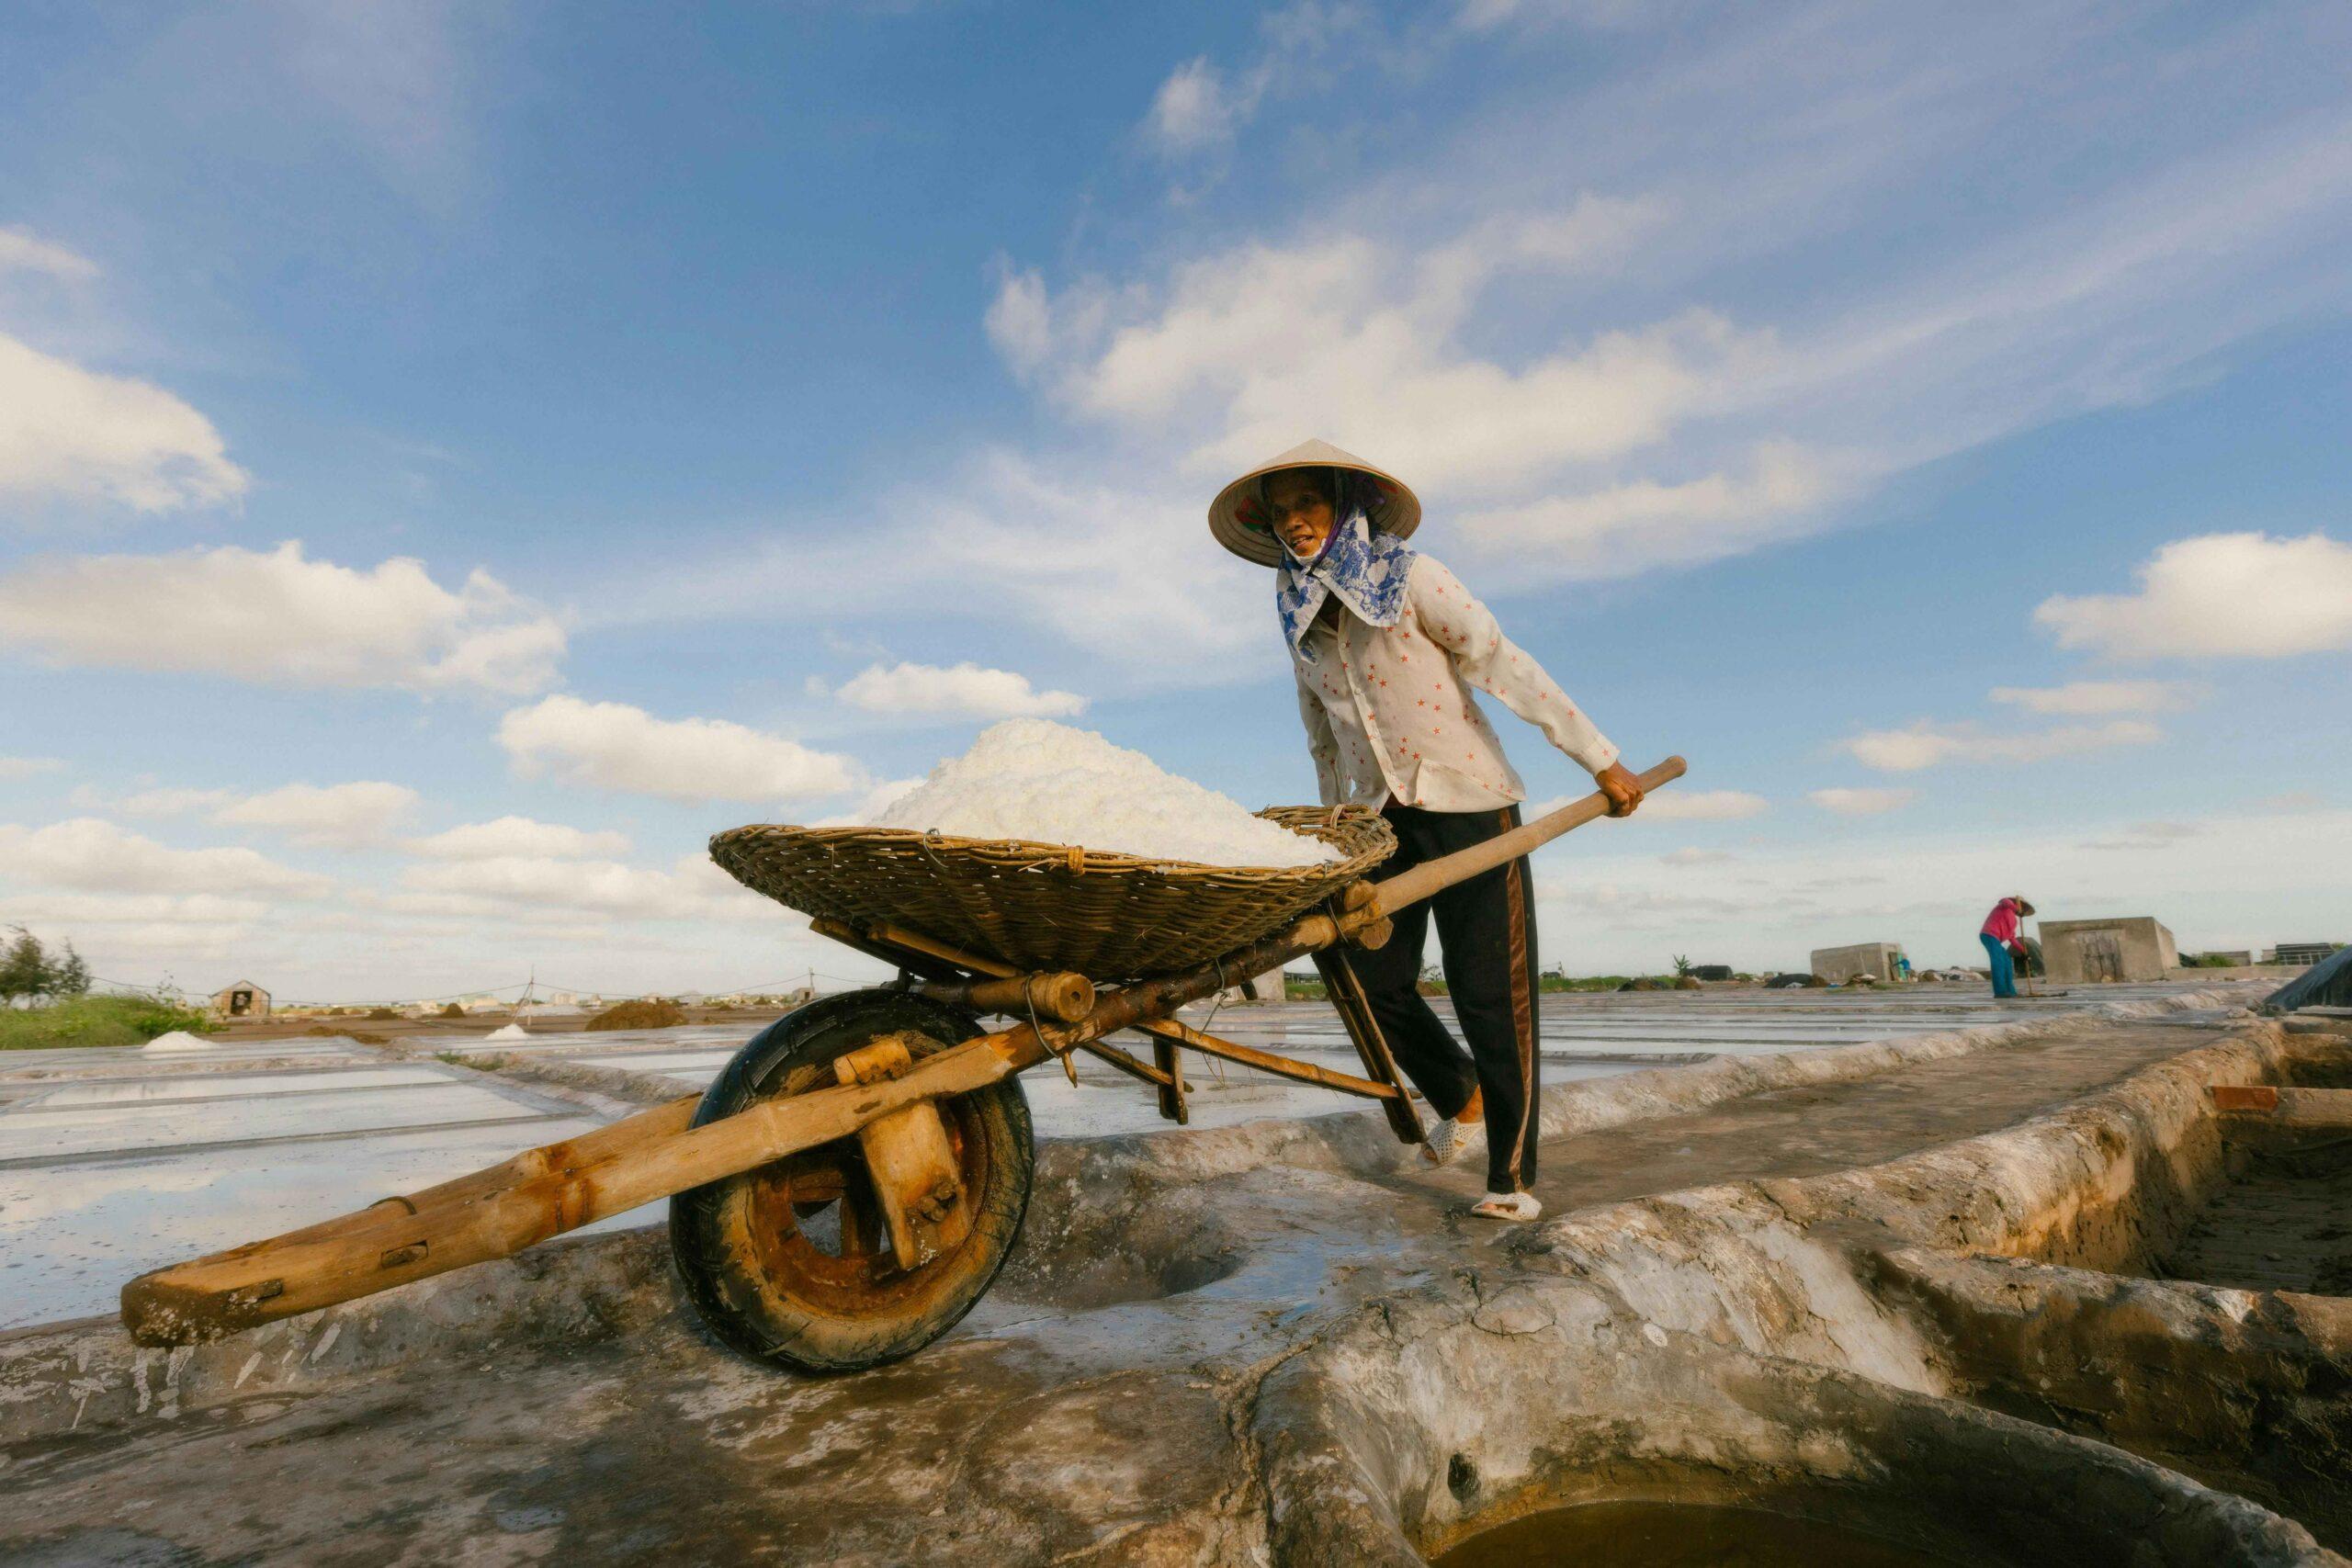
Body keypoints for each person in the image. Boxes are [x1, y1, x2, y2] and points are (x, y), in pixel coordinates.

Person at [1208, 439, 1645, 1223]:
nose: (1296, 523)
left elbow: (1503, 664)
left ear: (1343, 504)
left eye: (1308, 504)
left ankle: (1509, 1181)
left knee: (1491, 998)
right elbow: (1322, 734)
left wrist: (1599, 759)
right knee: (1369, 980)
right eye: (1281, 513)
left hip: (1471, 806)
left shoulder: (1413, 578)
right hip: (1379, 827)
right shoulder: (1298, 614)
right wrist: (1331, 835)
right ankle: (1460, 1093)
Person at [1980, 895, 2036, 998]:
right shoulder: (2004, 906)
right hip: (1989, 935)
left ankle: (2011, 991)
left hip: (1996, 940)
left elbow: (2012, 938)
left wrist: (2024, 952)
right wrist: (2015, 908)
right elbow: (2004, 900)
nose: (2021, 910)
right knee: (1998, 962)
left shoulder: (2014, 922)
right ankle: (2000, 992)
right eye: (2020, 907)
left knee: (2007, 961)